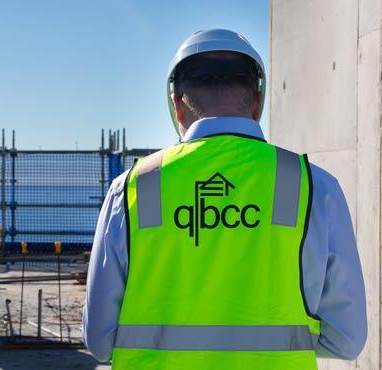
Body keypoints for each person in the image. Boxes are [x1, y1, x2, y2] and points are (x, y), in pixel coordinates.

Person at [83, 29, 367, 370]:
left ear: (176, 104)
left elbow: (99, 341)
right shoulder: (313, 186)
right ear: (258, 102)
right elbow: (347, 339)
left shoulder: (135, 187)